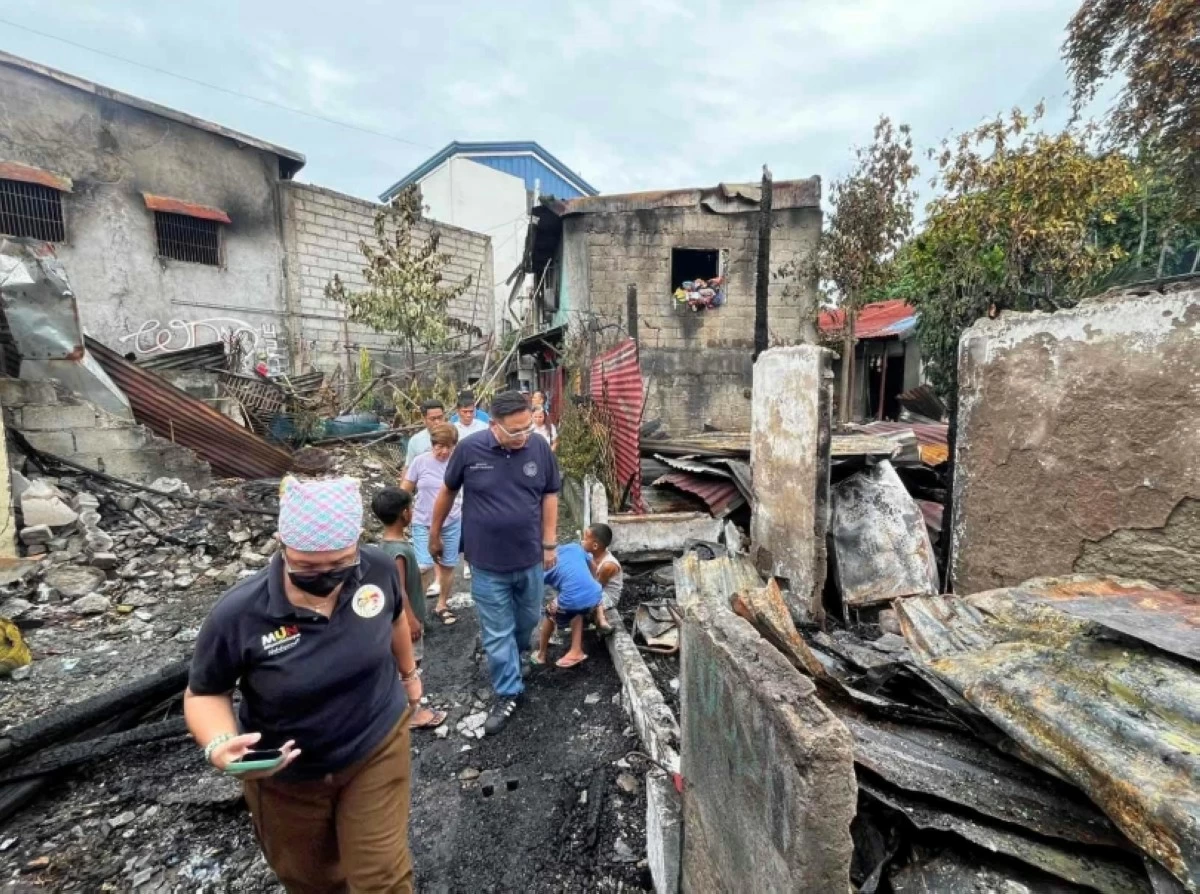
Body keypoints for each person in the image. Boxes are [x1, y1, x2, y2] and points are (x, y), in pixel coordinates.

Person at [185, 476, 420, 893]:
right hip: (286, 776)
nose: (326, 575)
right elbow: (205, 692)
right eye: (308, 567)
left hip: (376, 745)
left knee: (381, 877)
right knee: (312, 880)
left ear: (357, 542)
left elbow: (395, 618)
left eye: (340, 564)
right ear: (282, 546)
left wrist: (409, 676)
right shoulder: (240, 613)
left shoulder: (377, 570)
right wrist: (219, 744)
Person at [430, 390, 560, 736]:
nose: (523, 436)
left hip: (530, 558)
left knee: (527, 620)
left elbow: (550, 494)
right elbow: (447, 491)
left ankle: (517, 656)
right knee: (497, 630)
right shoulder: (469, 450)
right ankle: (508, 692)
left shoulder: (539, 447)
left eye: (528, 428)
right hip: (486, 563)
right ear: (494, 426)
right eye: (515, 431)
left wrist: (549, 542)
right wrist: (435, 532)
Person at [372, 487, 448, 732]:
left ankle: (403, 707)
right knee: (409, 666)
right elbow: (399, 590)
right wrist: (411, 621)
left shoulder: (385, 546)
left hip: (400, 620)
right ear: (405, 513)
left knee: (405, 665)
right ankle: (412, 712)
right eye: (411, 507)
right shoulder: (398, 551)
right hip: (405, 621)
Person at [402, 424, 462, 625]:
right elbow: (406, 489)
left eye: (448, 447)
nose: (444, 451)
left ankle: (442, 605)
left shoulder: (458, 463)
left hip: (452, 520)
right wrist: (401, 513)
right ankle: (415, 610)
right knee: (424, 566)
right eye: (439, 446)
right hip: (423, 521)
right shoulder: (420, 462)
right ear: (432, 444)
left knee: (448, 565)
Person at [533, 539, 602, 668]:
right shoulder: (575, 547)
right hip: (596, 595)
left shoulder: (543, 567)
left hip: (575, 599)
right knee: (575, 609)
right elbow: (594, 567)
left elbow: (534, 591)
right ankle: (576, 649)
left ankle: (541, 655)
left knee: (549, 612)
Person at [583, 522, 621, 637]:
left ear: (595, 546)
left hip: (607, 595)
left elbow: (597, 588)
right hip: (594, 588)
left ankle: (600, 620)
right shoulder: (591, 555)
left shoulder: (608, 565)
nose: (582, 542)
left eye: (585, 539)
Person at [403, 400, 446, 469]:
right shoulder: (415, 441)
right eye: (433, 419)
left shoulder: (455, 435)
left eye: (440, 417)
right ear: (424, 419)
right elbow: (408, 467)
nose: (437, 422)